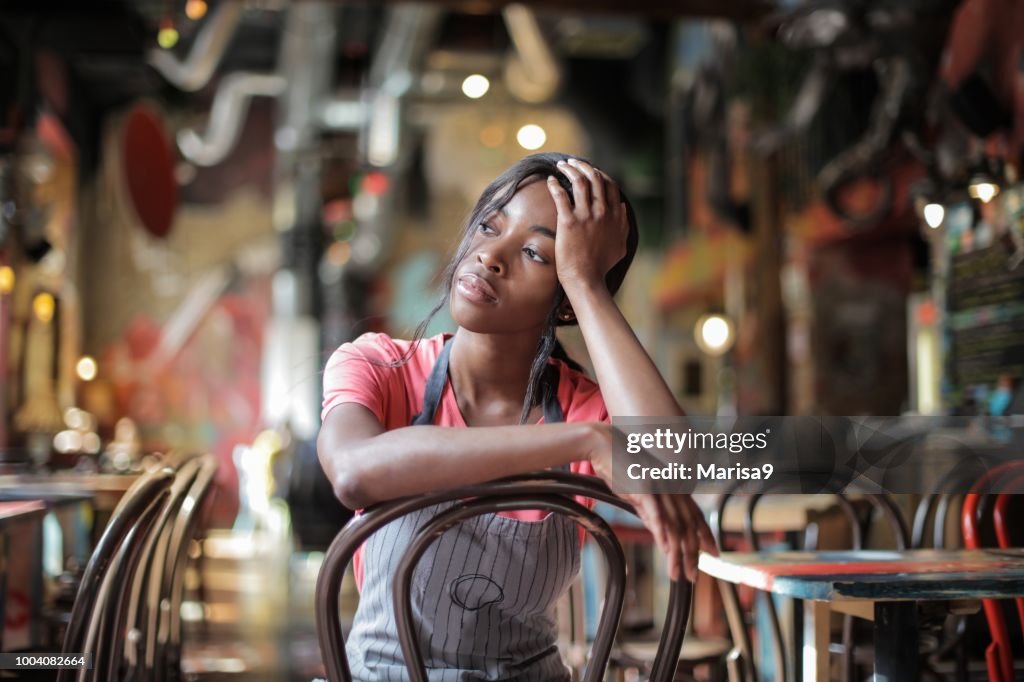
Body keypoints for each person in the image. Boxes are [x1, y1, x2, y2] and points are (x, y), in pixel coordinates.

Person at [318, 152, 718, 681]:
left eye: (535, 252)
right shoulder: (378, 366)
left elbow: (676, 466)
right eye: (489, 226)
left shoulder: (580, 407)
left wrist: (588, 285)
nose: (491, 256)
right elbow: (353, 472)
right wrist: (584, 442)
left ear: (566, 300)